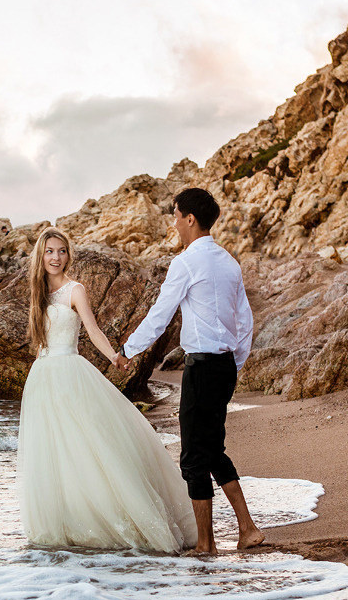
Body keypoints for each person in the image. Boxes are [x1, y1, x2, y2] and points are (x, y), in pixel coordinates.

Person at [16, 227, 198, 552]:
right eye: (50, 251)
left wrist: (115, 355)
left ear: (68, 255)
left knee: (85, 446)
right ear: (40, 256)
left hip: (69, 373)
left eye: (61, 251)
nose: (56, 257)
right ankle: (67, 521)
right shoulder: (36, 293)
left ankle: (111, 520)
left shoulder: (75, 290)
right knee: (52, 452)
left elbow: (93, 329)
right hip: (42, 378)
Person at [117, 188, 264, 555]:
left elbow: (160, 314)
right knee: (212, 450)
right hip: (225, 365)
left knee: (194, 457)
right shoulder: (229, 262)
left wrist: (127, 351)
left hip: (201, 368)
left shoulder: (185, 263)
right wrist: (235, 364)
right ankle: (247, 529)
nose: (175, 223)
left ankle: (206, 544)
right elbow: (245, 322)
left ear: (190, 219)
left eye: (176, 216)